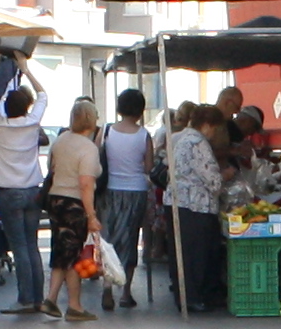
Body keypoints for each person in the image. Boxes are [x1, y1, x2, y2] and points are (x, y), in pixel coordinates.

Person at [0, 70, 53, 317]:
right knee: (32, 246)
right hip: (33, 190)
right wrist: (26, 67)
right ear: (26, 106)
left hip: (8, 192)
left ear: (6, 108)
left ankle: (25, 299)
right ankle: (38, 298)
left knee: (19, 246)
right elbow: (43, 95)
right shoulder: (33, 123)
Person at [40, 100, 104, 323]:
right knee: (73, 254)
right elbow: (86, 184)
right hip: (74, 204)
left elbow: (52, 168)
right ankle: (68, 304)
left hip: (55, 200)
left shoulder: (61, 140)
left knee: (64, 251)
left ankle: (57, 300)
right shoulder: (88, 148)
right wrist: (91, 216)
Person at [97, 88, 157, 309]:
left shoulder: (106, 131)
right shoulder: (143, 135)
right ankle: (126, 292)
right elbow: (149, 168)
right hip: (136, 191)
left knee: (109, 239)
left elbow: (96, 159)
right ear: (140, 110)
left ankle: (107, 287)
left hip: (110, 191)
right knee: (130, 240)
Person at [167, 102, 229, 317]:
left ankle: (185, 296)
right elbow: (212, 179)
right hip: (196, 205)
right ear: (207, 125)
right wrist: (224, 178)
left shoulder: (179, 138)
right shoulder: (198, 143)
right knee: (197, 255)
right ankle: (194, 298)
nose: (215, 133)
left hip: (177, 202)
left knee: (182, 254)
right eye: (215, 128)